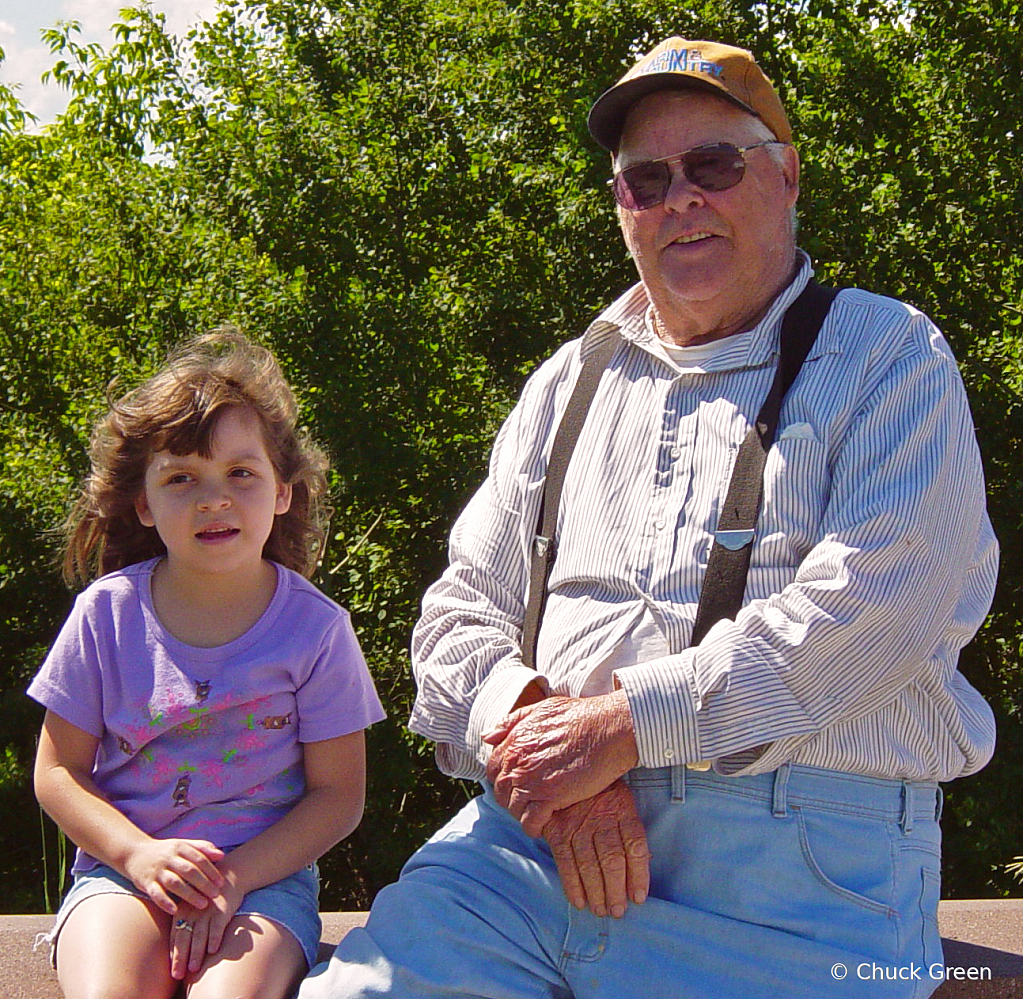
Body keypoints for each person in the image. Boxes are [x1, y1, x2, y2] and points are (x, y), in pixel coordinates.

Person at [299, 38, 997, 999]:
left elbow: (872, 616)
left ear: (787, 176)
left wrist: (622, 729)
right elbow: (455, 616)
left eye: (713, 165)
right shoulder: (567, 379)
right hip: (524, 851)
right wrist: (546, 743)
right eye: (644, 179)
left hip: (795, 874)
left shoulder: (888, 357)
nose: (680, 199)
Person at [29, 330, 385, 999]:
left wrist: (235, 877)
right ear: (144, 503)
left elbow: (339, 796)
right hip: (121, 871)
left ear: (282, 490)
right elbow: (56, 771)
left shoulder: (316, 629)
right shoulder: (106, 614)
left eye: (240, 473)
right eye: (181, 478)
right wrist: (136, 853)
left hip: (262, 884)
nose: (213, 498)